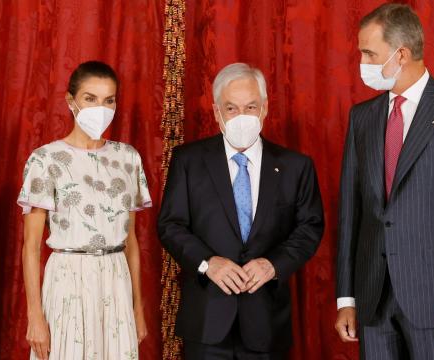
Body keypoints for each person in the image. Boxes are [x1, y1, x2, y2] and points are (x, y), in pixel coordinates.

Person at [334, 4, 434, 359]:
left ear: (401, 54)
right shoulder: (362, 117)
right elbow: (350, 211)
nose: (362, 62)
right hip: (372, 297)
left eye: (369, 53)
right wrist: (346, 298)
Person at [157, 62, 324, 359]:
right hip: (207, 322)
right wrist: (209, 263)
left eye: (250, 107)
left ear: (264, 108)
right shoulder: (189, 160)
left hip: (267, 323)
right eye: (231, 108)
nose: (242, 116)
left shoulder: (295, 166)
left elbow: (310, 227)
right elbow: (170, 225)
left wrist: (273, 265)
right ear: (216, 111)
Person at [18, 61, 152, 360]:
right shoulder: (46, 160)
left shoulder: (127, 158)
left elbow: (131, 243)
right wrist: (35, 316)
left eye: (108, 100)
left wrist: (137, 308)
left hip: (116, 281)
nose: (100, 108)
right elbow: (31, 248)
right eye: (90, 98)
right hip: (68, 280)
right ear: (71, 101)